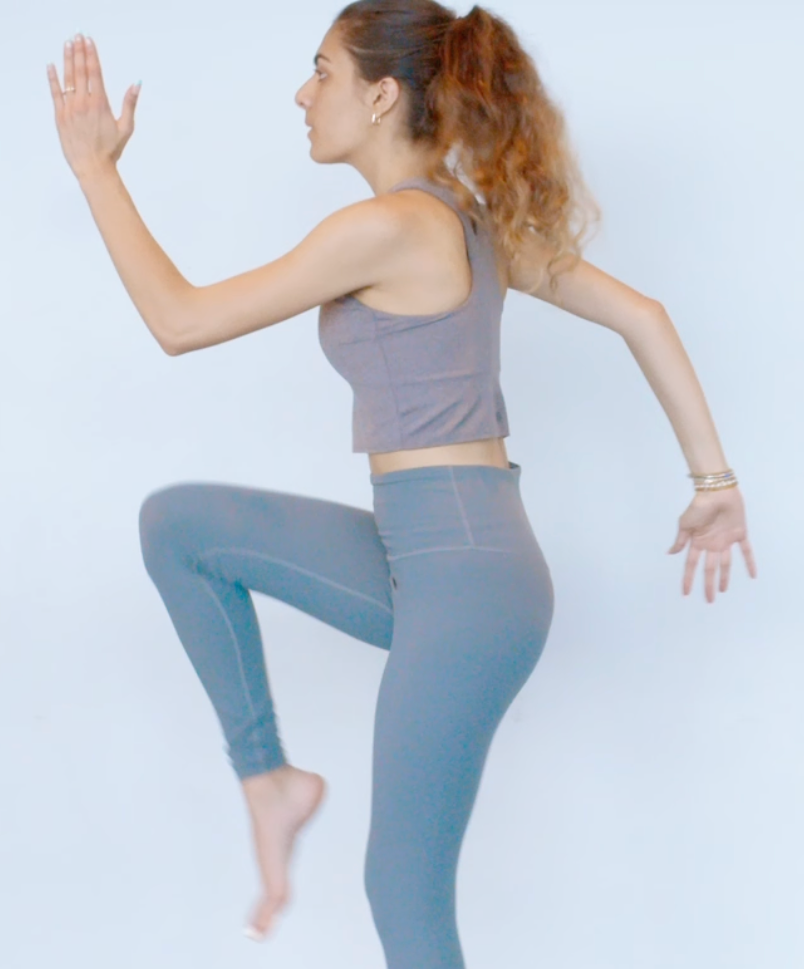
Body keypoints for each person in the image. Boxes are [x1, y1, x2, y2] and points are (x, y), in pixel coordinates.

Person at [49, 2, 757, 967]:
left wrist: (95, 169)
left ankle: (270, 787)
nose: (303, 93)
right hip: (433, 554)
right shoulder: (468, 217)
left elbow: (179, 321)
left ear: (381, 95)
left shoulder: (386, 227)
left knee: (400, 886)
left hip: (465, 575)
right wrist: (713, 478)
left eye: (323, 72)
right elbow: (645, 314)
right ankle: (272, 783)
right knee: (179, 525)